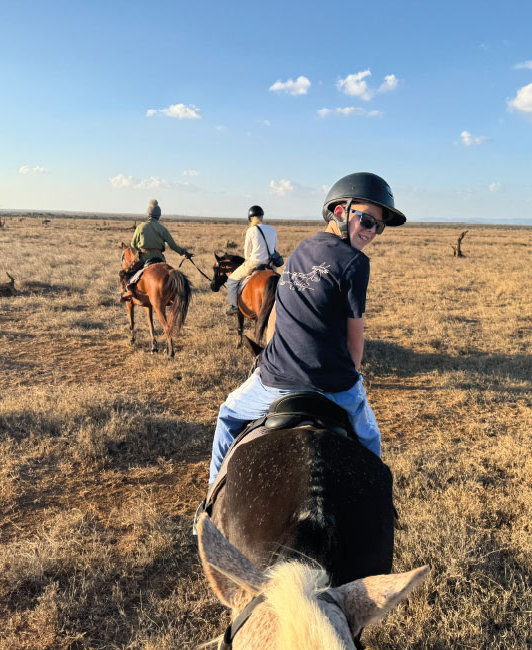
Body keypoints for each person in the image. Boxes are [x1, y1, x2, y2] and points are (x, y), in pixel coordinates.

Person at [206, 172, 406, 484]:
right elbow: (356, 341)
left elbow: (274, 321)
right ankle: (381, 506)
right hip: (334, 386)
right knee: (370, 441)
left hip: (275, 380)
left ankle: (209, 502)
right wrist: (348, 383)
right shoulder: (356, 262)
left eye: (378, 227)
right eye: (368, 222)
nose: (372, 232)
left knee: (228, 415)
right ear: (341, 212)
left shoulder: (300, 249)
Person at [223, 205, 278, 315]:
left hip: (254, 262)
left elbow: (247, 253)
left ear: (251, 218)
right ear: (262, 216)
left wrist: (248, 260)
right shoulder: (272, 229)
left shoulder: (251, 230)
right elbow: (275, 249)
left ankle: (234, 306)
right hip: (270, 263)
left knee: (232, 280)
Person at [125, 198, 192, 288]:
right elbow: (173, 246)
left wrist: (139, 250)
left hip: (144, 257)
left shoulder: (140, 227)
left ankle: (127, 293)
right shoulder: (163, 229)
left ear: (148, 214)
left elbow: (133, 245)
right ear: (159, 215)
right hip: (159, 258)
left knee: (128, 275)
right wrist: (183, 252)